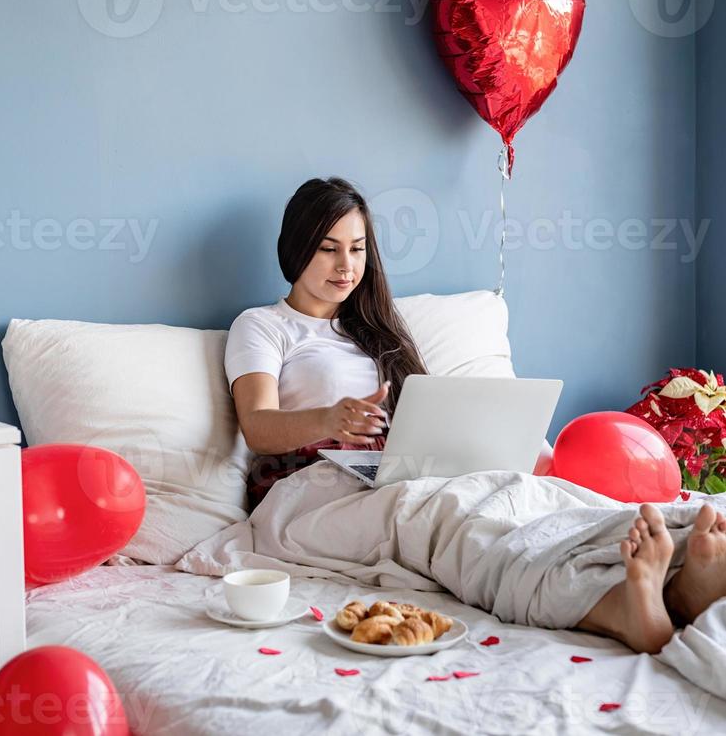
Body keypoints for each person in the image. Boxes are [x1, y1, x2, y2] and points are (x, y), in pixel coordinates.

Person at [227, 175, 726, 655]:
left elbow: (426, 424)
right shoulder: (264, 327)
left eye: (357, 249)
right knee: (450, 518)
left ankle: (680, 579)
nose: (346, 266)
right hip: (307, 498)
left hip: (390, 475)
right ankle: (616, 607)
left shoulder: (374, 329)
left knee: (522, 494)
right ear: (296, 248)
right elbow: (258, 425)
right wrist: (328, 420)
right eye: (328, 248)